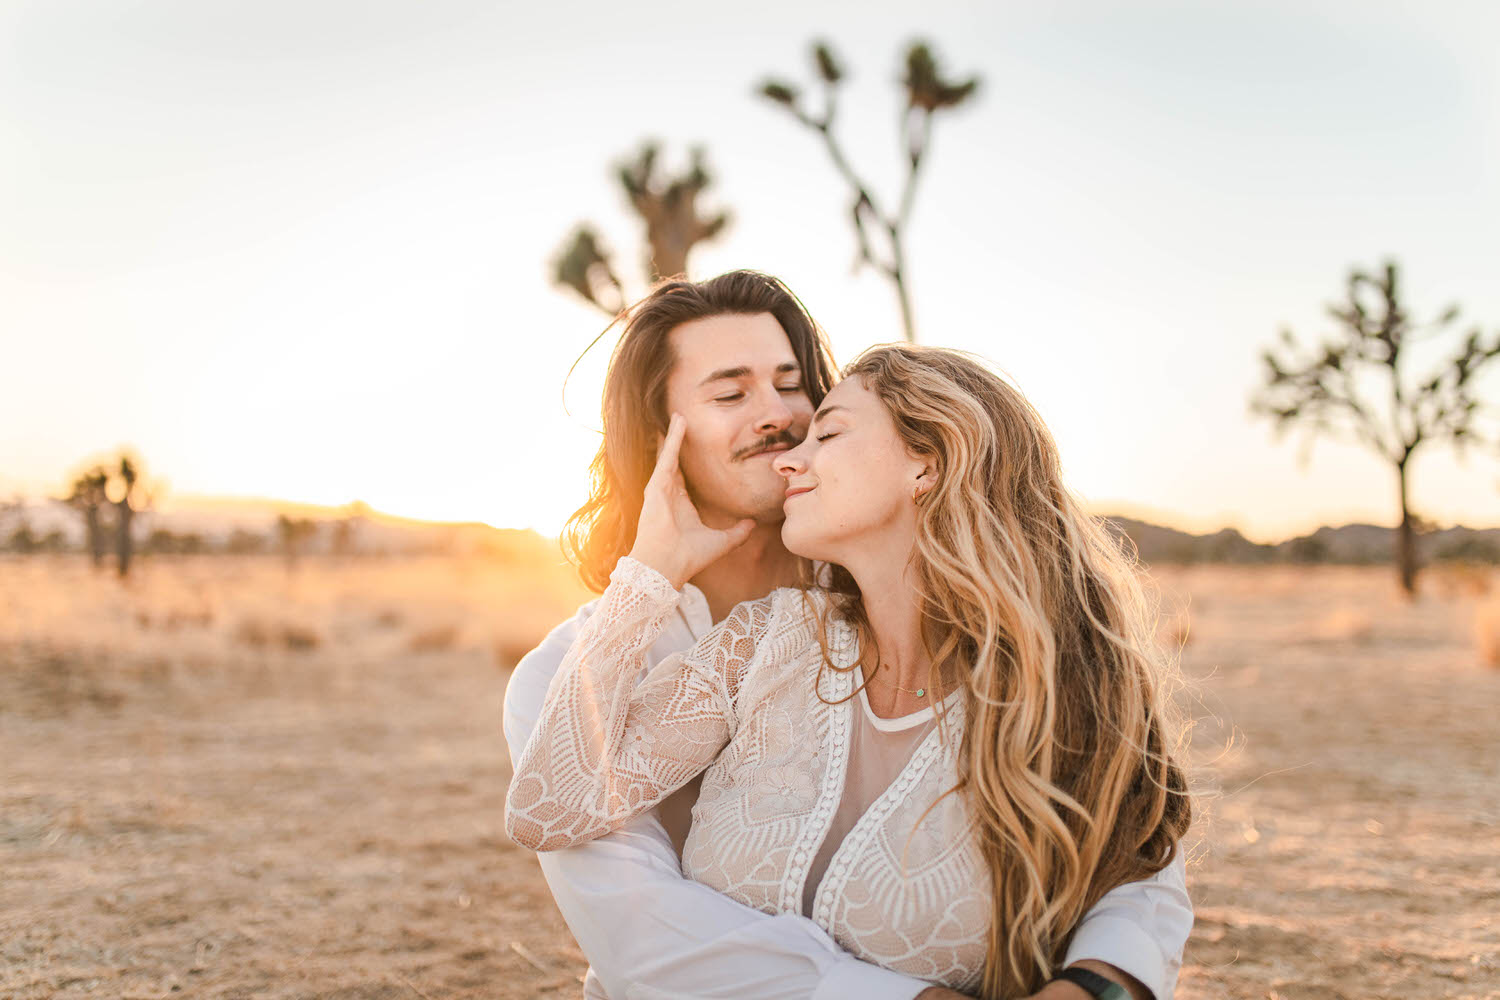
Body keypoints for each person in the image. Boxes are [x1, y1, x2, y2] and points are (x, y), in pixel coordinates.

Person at [502, 272, 1192, 1000]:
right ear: (656, 437)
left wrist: (1099, 984)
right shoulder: (582, 674)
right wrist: (646, 577)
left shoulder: (1023, 657)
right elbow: (642, 938)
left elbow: (1135, 855)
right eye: (730, 394)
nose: (781, 420)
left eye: (794, 387)